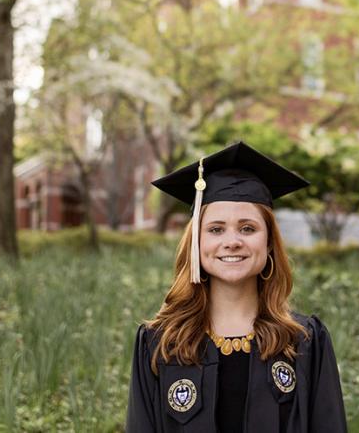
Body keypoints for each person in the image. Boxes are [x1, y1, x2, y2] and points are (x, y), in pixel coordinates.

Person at [126, 141, 347, 432]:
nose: (232, 241)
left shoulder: (304, 341)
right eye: (216, 229)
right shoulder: (160, 344)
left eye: (248, 228)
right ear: (197, 243)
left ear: (268, 243)